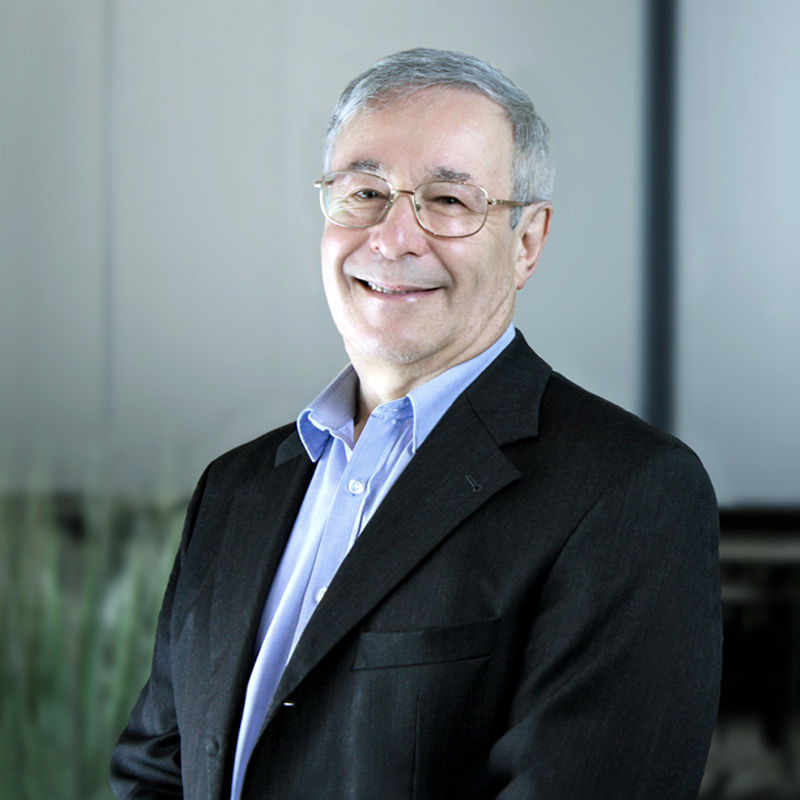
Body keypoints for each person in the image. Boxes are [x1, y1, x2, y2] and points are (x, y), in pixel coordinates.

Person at [110, 48, 721, 799]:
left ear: (526, 242)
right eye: (365, 192)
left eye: (450, 200)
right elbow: (154, 769)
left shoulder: (628, 492)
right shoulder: (234, 489)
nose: (393, 238)